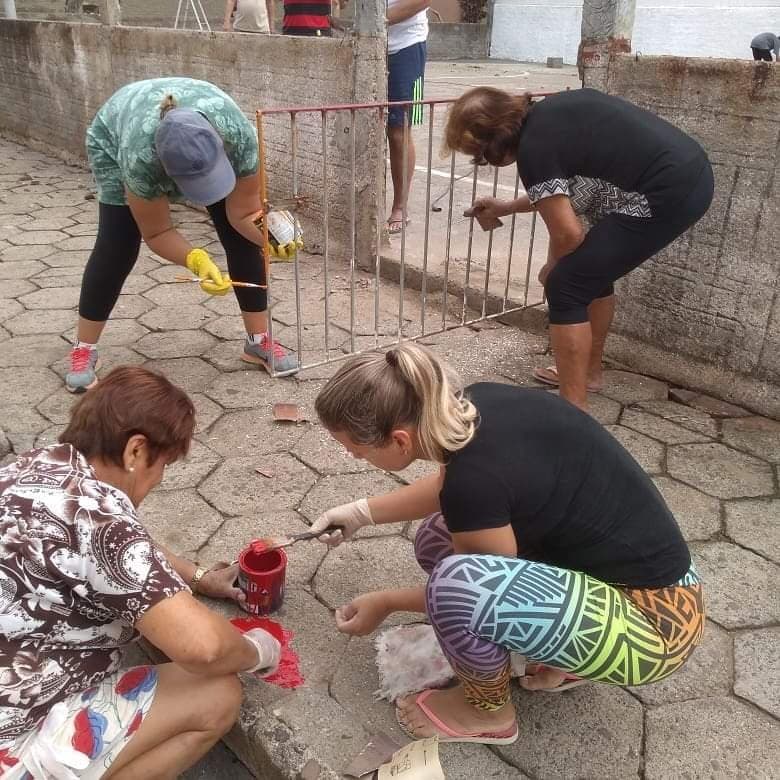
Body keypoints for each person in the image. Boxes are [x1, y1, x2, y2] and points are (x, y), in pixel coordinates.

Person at [308, 343, 704, 745]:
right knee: (435, 539)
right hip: (661, 588)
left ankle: (488, 713)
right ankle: (563, 657)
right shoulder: (476, 406)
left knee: (454, 585)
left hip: (655, 633)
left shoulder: (471, 483)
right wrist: (359, 513)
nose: (352, 456)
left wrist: (386, 602)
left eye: (357, 450)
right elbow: (456, 490)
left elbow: (467, 590)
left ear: (400, 441)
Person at [0, 366, 281, 777]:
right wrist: (257, 651)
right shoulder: (99, 519)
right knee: (217, 694)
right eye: (163, 464)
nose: (160, 478)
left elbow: (123, 549)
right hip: (12, 741)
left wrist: (197, 577)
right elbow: (204, 648)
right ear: (135, 451)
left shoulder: (34, 468)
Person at [443, 87, 714, 411]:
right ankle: (588, 374)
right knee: (591, 274)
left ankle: (573, 410)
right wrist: (506, 207)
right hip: (690, 173)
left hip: (668, 192)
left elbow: (568, 234)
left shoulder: (534, 149)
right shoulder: (551, 114)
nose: (486, 162)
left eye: (481, 155)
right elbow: (569, 190)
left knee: (566, 285)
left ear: (495, 140)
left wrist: (552, 269)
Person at [66, 76, 298, 394]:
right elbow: (158, 231)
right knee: (117, 243)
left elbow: (244, 214)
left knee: (239, 237)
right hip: (116, 129)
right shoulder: (140, 159)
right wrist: (196, 259)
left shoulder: (239, 137)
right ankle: (84, 349)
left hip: (199, 125)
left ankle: (258, 341)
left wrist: (269, 239)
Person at [386, 0, 429, 234]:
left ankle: (400, 207)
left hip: (407, 46)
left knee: (399, 130)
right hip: (371, 43)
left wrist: (379, 19)